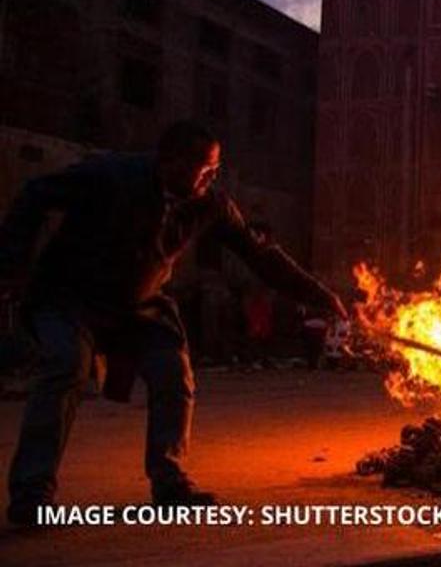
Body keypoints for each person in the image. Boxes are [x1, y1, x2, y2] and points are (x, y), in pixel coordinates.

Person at [0, 121, 348, 526]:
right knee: (65, 368)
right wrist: (12, 265)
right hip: (70, 295)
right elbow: (34, 194)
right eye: (205, 168)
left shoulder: (210, 205)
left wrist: (322, 297)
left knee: (173, 373)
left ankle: (170, 482)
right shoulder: (110, 175)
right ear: (169, 163)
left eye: (215, 169)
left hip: (141, 305)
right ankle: (31, 494)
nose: (212, 177)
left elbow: (261, 255)